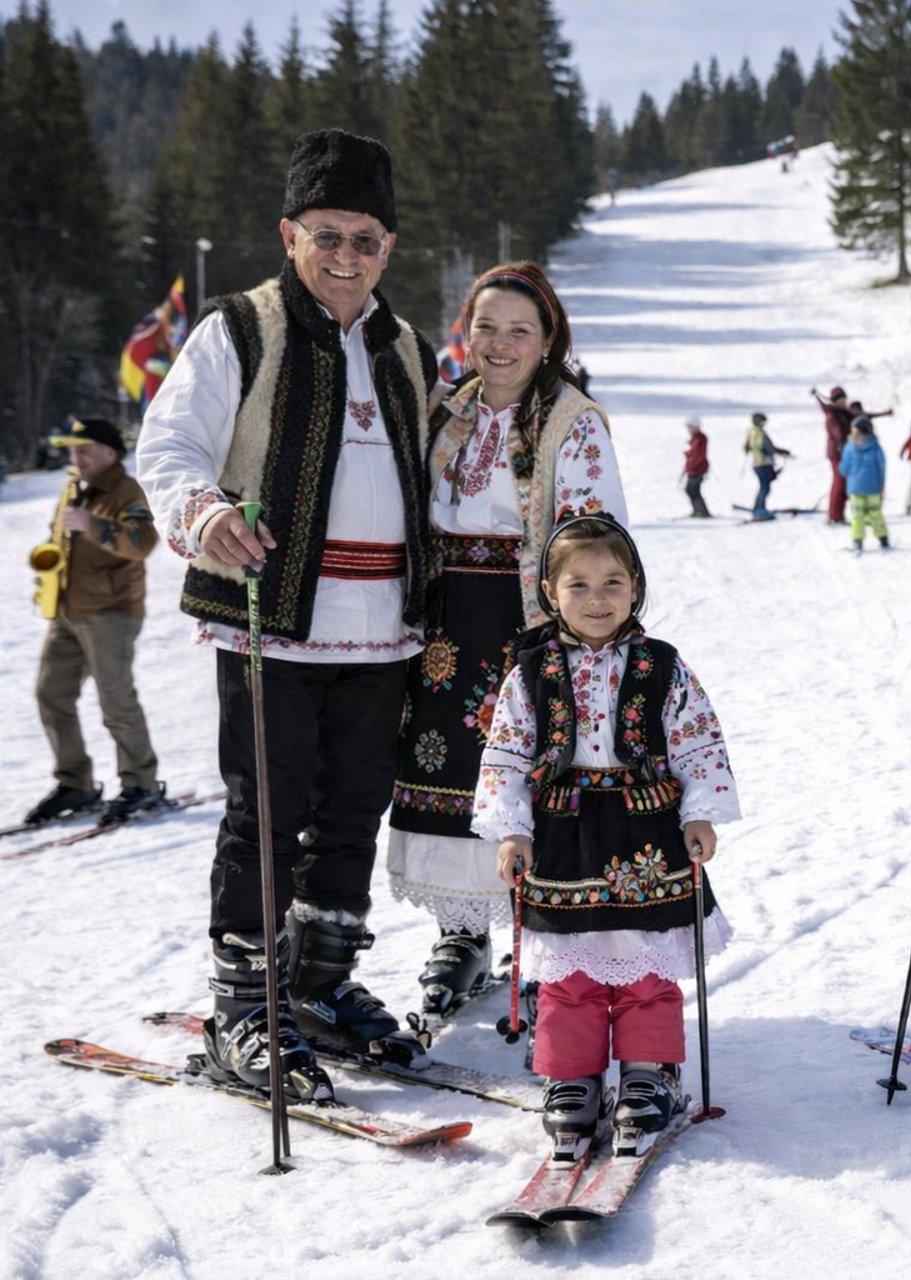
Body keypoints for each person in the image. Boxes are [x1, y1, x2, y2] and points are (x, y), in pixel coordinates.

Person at [137, 129, 437, 1098]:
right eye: (326, 236)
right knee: (266, 812)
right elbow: (170, 444)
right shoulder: (241, 328)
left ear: (387, 247)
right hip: (272, 614)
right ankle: (243, 1007)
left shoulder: (406, 349)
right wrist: (203, 513)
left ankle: (316, 982)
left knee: (353, 809)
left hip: (384, 624)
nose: (345, 257)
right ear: (288, 233)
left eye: (364, 239)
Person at [386, 261, 627, 1021]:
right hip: (445, 619)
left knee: (532, 776)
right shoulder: (444, 410)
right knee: (448, 777)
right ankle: (462, 934)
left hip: (527, 621)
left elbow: (594, 539)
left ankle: (547, 944)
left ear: (547, 338)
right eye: (485, 326)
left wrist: (575, 632)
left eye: (520, 329)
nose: (499, 343)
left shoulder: (570, 420)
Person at [474, 515, 738, 1157]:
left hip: (645, 829)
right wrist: (511, 829)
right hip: (562, 834)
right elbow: (505, 757)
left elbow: (698, 744)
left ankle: (649, 1074)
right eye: (579, 585)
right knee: (569, 969)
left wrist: (700, 812)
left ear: (636, 587)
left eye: (613, 583)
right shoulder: (529, 673)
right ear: (549, 592)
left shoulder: (663, 667)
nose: (598, 599)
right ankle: (572, 1078)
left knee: (646, 962)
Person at [26, 418, 165, 827]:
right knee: (51, 694)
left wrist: (94, 525)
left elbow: (143, 542)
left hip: (112, 613)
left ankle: (141, 783)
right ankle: (76, 783)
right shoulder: (76, 486)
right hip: (69, 610)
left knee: (116, 702)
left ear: (108, 452)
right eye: (72, 449)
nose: (75, 457)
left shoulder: (127, 490)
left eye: (83, 449)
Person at [839, 411, 890, 552]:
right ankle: (883, 538)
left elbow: (844, 469)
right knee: (876, 513)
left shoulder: (849, 447)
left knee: (857, 516)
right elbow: (881, 466)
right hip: (873, 487)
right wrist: (881, 484)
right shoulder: (876, 446)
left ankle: (857, 541)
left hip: (855, 489)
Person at [814, 386, 853, 524]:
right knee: (840, 484)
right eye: (841, 399)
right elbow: (839, 434)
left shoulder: (840, 412)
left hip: (843, 452)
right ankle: (834, 516)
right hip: (837, 454)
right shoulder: (833, 415)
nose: (844, 402)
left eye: (845, 399)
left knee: (842, 484)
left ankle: (838, 514)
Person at [744, 412, 791, 521]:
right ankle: (759, 509)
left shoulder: (751, 432)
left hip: (757, 463)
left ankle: (758, 507)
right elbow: (768, 448)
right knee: (765, 487)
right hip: (763, 463)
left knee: (763, 486)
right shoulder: (760, 434)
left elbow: (748, 447)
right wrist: (782, 451)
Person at [681, 415, 711, 518]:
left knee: (691, 490)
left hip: (697, 470)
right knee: (692, 490)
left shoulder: (700, 439)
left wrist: (690, 463)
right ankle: (698, 510)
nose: (688, 430)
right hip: (692, 469)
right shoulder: (695, 439)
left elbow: (698, 455)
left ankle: (701, 511)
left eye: (689, 427)